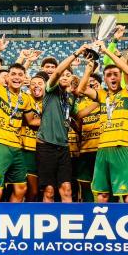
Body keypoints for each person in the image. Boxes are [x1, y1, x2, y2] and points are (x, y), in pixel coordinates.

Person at [0, 39, 40, 203]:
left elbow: (31, 121)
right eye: (13, 74)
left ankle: (10, 220)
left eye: (20, 75)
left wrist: (53, 121)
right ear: (7, 78)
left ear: (25, 77)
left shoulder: (25, 99)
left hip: (16, 147)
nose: (17, 77)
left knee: (21, 189)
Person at [76, 42, 128, 204]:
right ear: (104, 78)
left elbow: (126, 70)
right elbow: (81, 90)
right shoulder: (102, 95)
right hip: (102, 148)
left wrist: (105, 52)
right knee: (102, 195)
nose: (112, 77)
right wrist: (89, 70)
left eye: (115, 74)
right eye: (109, 75)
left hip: (121, 147)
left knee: (127, 194)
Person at [37, 47, 86, 203]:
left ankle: (68, 224)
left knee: (67, 189)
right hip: (46, 146)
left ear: (72, 79)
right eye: (63, 74)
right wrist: (76, 53)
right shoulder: (50, 89)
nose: (64, 76)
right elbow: (57, 72)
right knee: (49, 191)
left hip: (63, 148)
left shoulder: (70, 98)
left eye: (68, 74)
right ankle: (48, 224)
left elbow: (78, 115)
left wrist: (99, 103)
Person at [75, 73, 102, 202]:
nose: (92, 83)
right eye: (89, 82)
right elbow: (78, 121)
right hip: (85, 149)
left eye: (95, 81)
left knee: (103, 184)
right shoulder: (80, 103)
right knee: (85, 182)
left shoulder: (107, 99)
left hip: (102, 148)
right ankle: (88, 208)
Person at [23, 73, 45, 201]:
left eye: (40, 84)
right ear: (29, 87)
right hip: (27, 149)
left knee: (44, 189)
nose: (36, 86)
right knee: (32, 190)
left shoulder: (49, 101)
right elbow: (31, 121)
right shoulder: (25, 98)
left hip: (44, 149)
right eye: (33, 84)